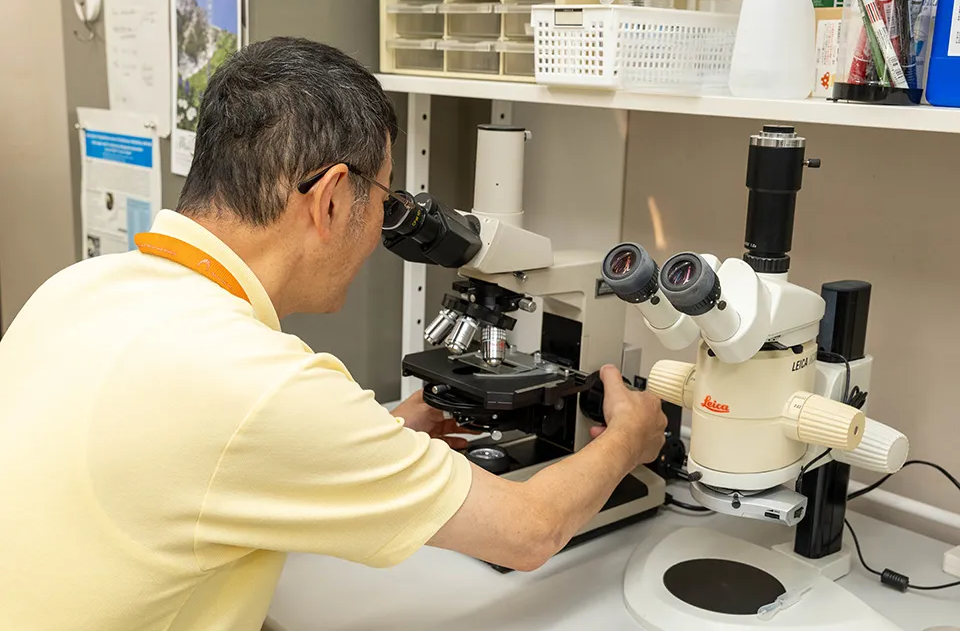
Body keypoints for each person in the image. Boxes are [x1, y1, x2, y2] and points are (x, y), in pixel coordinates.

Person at [0, 38, 667, 631]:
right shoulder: (261, 384)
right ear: (329, 198)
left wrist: (389, 435)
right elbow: (530, 533)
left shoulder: (75, 288)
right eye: (385, 203)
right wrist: (627, 443)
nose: (384, 232)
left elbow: (190, 461)